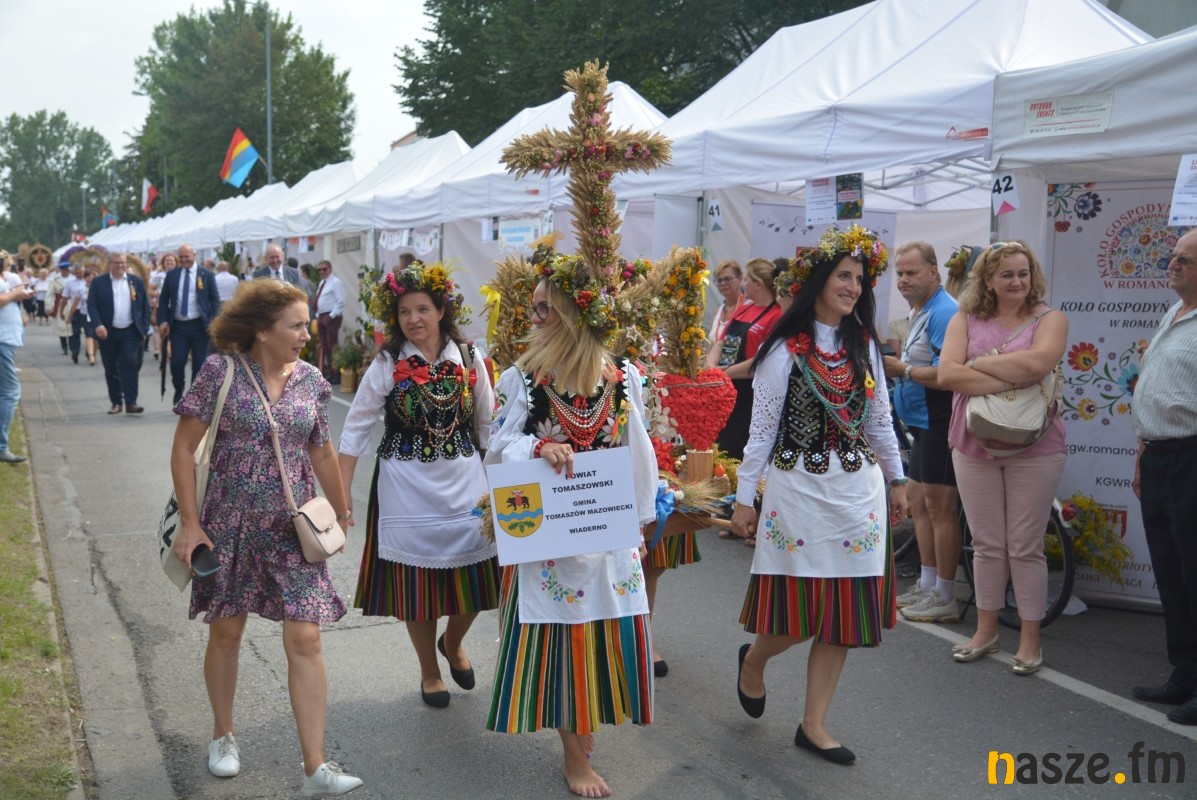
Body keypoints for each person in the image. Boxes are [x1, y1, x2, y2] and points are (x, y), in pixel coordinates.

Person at [169, 279, 362, 795]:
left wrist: (341, 510)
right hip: (227, 524)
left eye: (307, 324)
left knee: (306, 637)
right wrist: (191, 523)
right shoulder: (221, 372)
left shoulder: (312, 380)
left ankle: (315, 767)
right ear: (262, 330)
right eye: (296, 325)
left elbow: (321, 450)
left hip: (292, 527)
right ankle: (223, 734)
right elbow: (184, 449)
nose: (306, 334)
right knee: (227, 632)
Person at [730, 225, 906, 766]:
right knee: (798, 614)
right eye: (844, 276)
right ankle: (754, 661)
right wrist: (744, 498)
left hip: (857, 494)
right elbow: (762, 431)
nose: (853, 287)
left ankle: (814, 724)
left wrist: (898, 480)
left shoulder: (864, 345)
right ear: (820, 282)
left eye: (860, 279)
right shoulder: (784, 348)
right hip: (798, 494)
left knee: (842, 617)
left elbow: (879, 421)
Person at [485, 261, 657, 798]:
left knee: (600, 633)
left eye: (545, 309)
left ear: (574, 316)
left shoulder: (624, 376)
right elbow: (496, 447)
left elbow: (637, 447)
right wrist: (537, 446)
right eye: (534, 307)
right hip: (549, 536)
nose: (533, 318)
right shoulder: (521, 379)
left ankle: (584, 725)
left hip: (605, 526)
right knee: (562, 637)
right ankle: (574, 755)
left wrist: (641, 522)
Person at [338, 262, 498, 708]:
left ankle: (453, 642)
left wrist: (501, 484)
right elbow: (355, 429)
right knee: (417, 589)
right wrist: (341, 497)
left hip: (466, 483)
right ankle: (430, 670)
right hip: (405, 487)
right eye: (405, 311)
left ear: (442, 310)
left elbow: (489, 425)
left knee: (479, 577)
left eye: (423, 309)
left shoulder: (469, 358)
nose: (414, 319)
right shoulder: (387, 362)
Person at [937, 240, 1067, 675]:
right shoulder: (964, 318)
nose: (1017, 282)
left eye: (1023, 273)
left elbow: (1039, 364)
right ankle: (985, 631)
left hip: (1036, 445)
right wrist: (1014, 376)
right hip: (973, 442)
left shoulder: (1051, 319)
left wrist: (977, 364)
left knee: (1026, 546)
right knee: (987, 543)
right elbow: (947, 374)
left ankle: (1030, 640)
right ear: (988, 279)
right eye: (1007, 274)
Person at [1130, 228, 1197, 725]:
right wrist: (1141, 455)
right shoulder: (1173, 314)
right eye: (1173, 256)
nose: (1172, 264)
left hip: (1192, 456)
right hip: (1158, 457)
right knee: (1171, 573)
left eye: (1185, 259)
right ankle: (1185, 673)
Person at [881, 242, 962, 623]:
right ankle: (929, 584)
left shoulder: (944, 311)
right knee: (919, 501)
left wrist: (904, 371)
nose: (903, 280)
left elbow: (949, 373)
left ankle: (945, 594)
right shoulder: (923, 309)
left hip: (939, 420)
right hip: (921, 423)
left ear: (934, 272)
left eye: (911, 272)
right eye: (899, 273)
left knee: (940, 508)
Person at [714, 256, 781, 479]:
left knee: (735, 452)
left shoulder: (776, 315)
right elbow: (721, 342)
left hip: (748, 396)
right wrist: (710, 367)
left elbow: (760, 362)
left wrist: (723, 372)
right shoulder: (744, 309)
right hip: (726, 389)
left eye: (747, 279)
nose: (743, 284)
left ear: (758, 284)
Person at [88, 251, 151, 414]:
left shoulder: (135, 281)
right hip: (107, 332)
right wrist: (98, 325)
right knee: (111, 367)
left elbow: (145, 307)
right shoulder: (99, 282)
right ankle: (116, 402)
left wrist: (144, 328)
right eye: (116, 263)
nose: (120, 266)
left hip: (130, 331)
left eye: (122, 262)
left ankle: (131, 402)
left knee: (130, 363)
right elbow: (92, 305)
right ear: (109, 264)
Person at [158, 244, 221, 404]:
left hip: (200, 326)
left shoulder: (206, 275)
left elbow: (215, 299)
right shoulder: (172, 275)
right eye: (181, 257)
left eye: (187, 256)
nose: (184, 259)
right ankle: (179, 390)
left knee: (199, 365)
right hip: (178, 327)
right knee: (177, 363)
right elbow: (164, 299)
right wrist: (163, 320)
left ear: (194, 255)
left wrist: (215, 321)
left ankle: (194, 397)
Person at [0, 252, 32, 462]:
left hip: (7, 338)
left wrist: (19, 289)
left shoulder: (8, 277)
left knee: (6, 391)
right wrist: (15, 294)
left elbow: (21, 292)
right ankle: (1, 447)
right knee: (10, 392)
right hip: (2, 339)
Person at [312, 261, 346, 382]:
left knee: (332, 345)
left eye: (324, 269)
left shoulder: (336, 282)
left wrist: (331, 316)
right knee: (325, 346)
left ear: (330, 269)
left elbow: (341, 302)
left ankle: (336, 373)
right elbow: (319, 300)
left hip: (331, 316)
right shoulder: (322, 283)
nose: (322, 271)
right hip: (322, 316)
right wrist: (318, 315)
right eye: (319, 270)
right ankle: (330, 371)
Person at [706, 260, 746, 348]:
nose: (723, 283)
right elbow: (711, 346)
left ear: (740, 278)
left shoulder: (747, 308)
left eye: (728, 279)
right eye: (719, 280)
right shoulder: (717, 312)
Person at [48, 261, 73, 354]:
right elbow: (49, 294)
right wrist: (48, 306)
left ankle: (73, 346)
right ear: (61, 270)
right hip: (60, 304)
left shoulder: (73, 279)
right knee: (61, 326)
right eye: (64, 270)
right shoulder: (54, 279)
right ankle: (64, 347)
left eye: (68, 270)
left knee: (71, 326)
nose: (66, 272)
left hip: (71, 303)